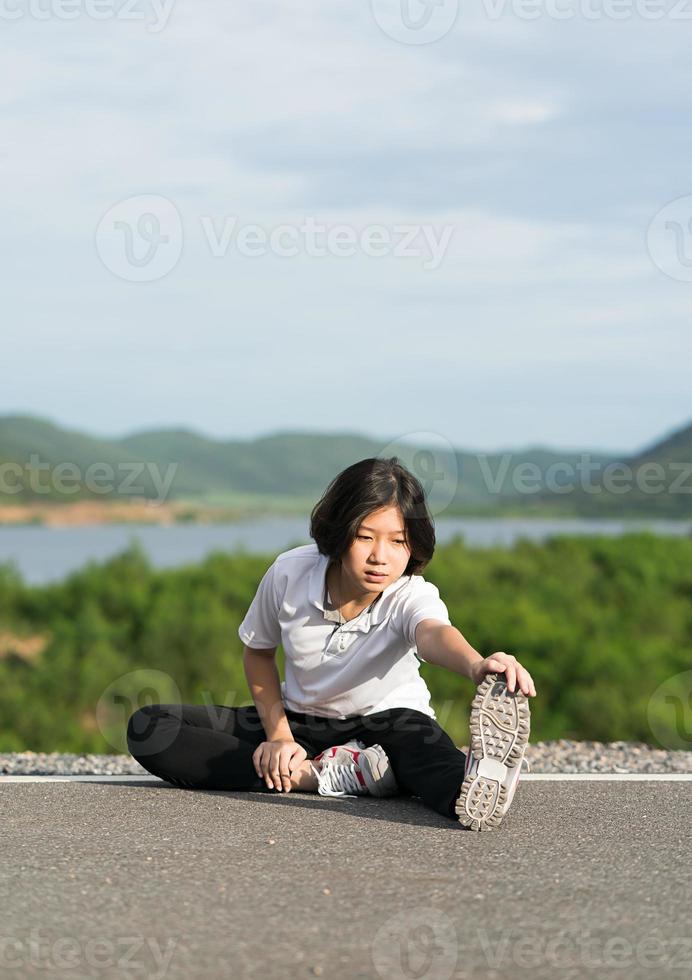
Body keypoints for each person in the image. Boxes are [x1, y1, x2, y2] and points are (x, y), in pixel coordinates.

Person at [127, 456, 536, 831]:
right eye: (365, 537)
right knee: (150, 728)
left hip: (386, 726)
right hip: (300, 722)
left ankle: (474, 782)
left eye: (398, 541)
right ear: (339, 532)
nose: (381, 557)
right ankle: (330, 775)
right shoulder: (290, 573)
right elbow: (258, 653)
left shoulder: (410, 593)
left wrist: (476, 665)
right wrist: (280, 737)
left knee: (429, 755)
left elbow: (433, 634)